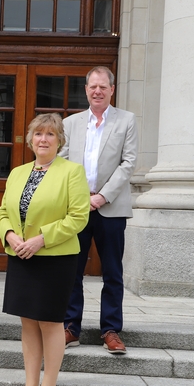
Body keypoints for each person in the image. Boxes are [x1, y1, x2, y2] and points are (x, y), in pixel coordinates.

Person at [0, 113, 90, 386]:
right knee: (27, 321)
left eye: (50, 134)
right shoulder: (17, 173)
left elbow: (78, 217)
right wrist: (11, 236)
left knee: (50, 323)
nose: (43, 139)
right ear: (30, 139)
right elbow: (2, 213)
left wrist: (41, 239)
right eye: (38, 134)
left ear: (59, 140)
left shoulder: (72, 172)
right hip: (21, 256)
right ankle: (30, 384)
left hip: (55, 258)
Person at [61, 66, 138, 355]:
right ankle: (71, 327)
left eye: (103, 87)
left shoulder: (127, 121)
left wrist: (102, 196)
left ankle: (110, 330)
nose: (97, 91)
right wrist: (81, 197)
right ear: (86, 90)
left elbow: (128, 164)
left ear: (111, 90)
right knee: (72, 271)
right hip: (77, 208)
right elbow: (62, 163)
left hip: (112, 209)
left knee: (113, 273)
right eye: (93, 86)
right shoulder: (71, 124)